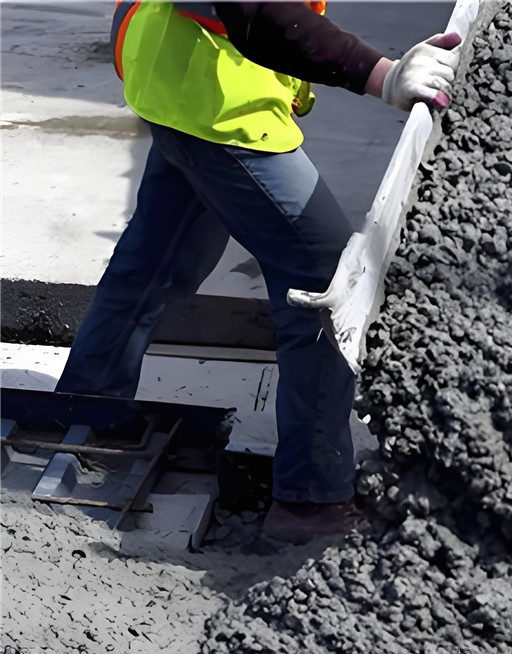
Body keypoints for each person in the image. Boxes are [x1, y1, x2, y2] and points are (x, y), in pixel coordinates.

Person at [55, 1, 461, 543]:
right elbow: (256, 10)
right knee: (324, 278)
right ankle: (310, 503)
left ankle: (83, 418)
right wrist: (380, 75)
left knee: (155, 260)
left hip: (178, 78)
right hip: (220, 102)